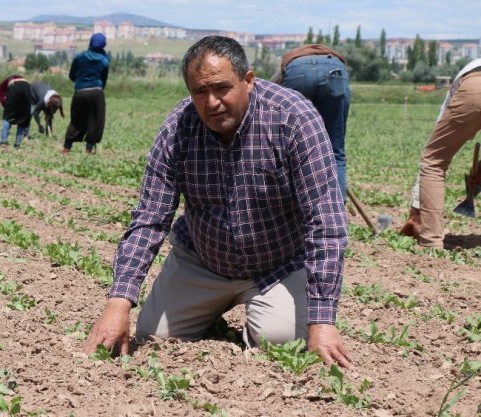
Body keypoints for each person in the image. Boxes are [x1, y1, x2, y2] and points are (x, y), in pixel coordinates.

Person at [83, 36, 351, 369]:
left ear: (248, 81)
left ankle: (264, 314)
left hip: (279, 265)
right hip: (203, 260)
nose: (211, 103)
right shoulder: (178, 129)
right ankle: (210, 313)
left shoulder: (293, 119)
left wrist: (323, 322)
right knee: (155, 334)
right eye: (199, 92)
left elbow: (325, 222)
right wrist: (118, 303)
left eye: (222, 88)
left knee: (281, 341)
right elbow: (149, 218)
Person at [399, 58, 481, 248]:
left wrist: (417, 208)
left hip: (475, 84)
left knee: (434, 161)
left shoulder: (460, 84)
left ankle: (431, 241)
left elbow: (434, 159)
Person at [273, 44, 351, 201]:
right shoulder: (336, 61)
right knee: (335, 150)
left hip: (297, 72)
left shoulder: (290, 61)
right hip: (335, 71)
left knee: (286, 149)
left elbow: (273, 92)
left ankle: (289, 207)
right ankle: (337, 209)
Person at [62, 33, 110, 154]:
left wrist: (80, 83)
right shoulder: (104, 60)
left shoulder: (80, 57)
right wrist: (97, 89)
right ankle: (89, 148)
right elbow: (104, 80)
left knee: (76, 119)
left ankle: (67, 148)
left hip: (80, 92)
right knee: (96, 119)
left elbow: (72, 75)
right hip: (96, 92)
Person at [0, 75, 32, 149]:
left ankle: (3, 142)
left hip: (14, 87)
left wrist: (5, 104)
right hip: (27, 88)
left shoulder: (0, 88)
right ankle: (17, 144)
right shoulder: (17, 78)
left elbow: (0, 93)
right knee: (23, 117)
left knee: (7, 117)